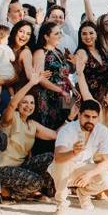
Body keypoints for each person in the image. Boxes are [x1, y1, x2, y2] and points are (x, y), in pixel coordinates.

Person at [0, 69, 59, 202]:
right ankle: (9, 192)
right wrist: (31, 83)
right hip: (2, 169)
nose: (28, 106)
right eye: (24, 102)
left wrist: (70, 119)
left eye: (32, 103)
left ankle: (30, 191)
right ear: (19, 104)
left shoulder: (32, 124)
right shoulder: (10, 118)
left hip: (20, 168)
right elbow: (12, 104)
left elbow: (55, 135)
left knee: (50, 157)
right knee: (36, 182)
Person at [48, 99, 108, 215]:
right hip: (62, 170)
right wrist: (73, 152)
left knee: (107, 179)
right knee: (63, 162)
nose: (90, 120)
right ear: (79, 115)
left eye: (94, 117)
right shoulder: (67, 130)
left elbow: (107, 162)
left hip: (83, 168)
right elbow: (58, 158)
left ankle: (83, 193)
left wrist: (90, 174)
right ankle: (61, 203)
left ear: (98, 118)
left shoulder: (102, 131)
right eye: (86, 116)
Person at [32, 22, 74, 153]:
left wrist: (72, 91)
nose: (60, 35)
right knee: (50, 131)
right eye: (56, 33)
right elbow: (41, 79)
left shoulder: (59, 51)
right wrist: (61, 90)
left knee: (67, 125)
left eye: (60, 32)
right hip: (48, 97)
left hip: (64, 96)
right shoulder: (40, 52)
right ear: (46, 36)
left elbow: (65, 76)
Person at [75, 20, 108, 105]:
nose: (88, 37)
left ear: (96, 34)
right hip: (88, 96)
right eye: (84, 34)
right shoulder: (81, 52)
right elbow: (79, 75)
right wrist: (88, 99)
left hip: (104, 96)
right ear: (80, 36)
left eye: (91, 33)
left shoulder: (101, 50)